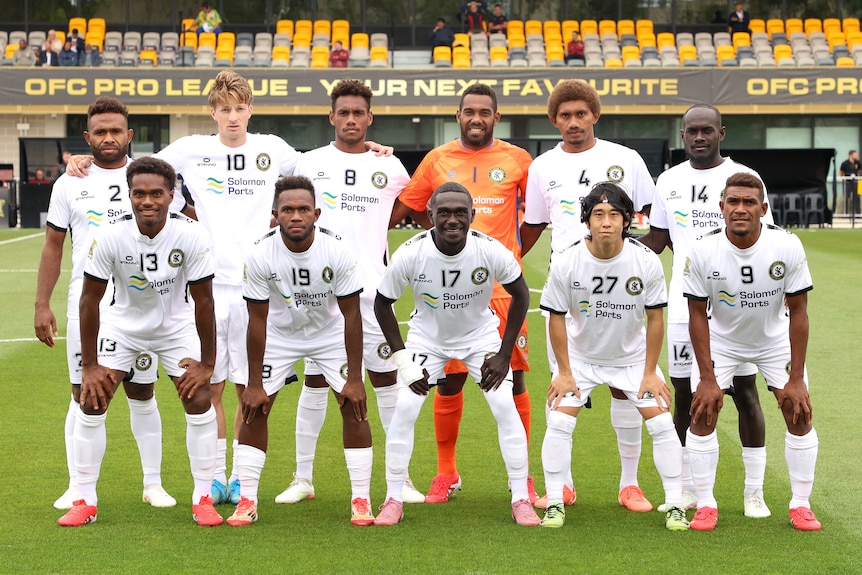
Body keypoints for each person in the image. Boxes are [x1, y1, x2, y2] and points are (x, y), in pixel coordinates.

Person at [64, 70, 393, 507]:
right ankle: (214, 478)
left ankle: (240, 477)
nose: (233, 118)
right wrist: (85, 161)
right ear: (212, 112)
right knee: (209, 384)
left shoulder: (272, 149)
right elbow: (139, 168)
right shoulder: (192, 149)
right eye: (224, 109)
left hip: (259, 285)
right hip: (207, 283)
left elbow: (323, 163)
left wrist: (369, 151)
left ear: (250, 110)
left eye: (240, 109)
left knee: (248, 385)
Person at [274, 79, 424, 506]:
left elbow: (404, 208)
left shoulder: (391, 167)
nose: (352, 119)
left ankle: (402, 479)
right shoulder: (308, 164)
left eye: (359, 113)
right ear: (332, 117)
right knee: (317, 380)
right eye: (344, 112)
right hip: (318, 293)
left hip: (372, 293)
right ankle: (303, 477)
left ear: (370, 118)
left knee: (385, 381)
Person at [388, 83, 537, 505]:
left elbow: (538, 216)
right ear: (458, 116)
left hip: (502, 292)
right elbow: (411, 206)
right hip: (445, 289)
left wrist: (513, 251)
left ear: (496, 116)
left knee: (513, 379)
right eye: (469, 111)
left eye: (484, 112)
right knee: (447, 380)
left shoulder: (517, 159)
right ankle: (446, 472)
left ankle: (521, 480)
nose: (476, 118)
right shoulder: (437, 159)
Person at [57, 156, 221, 527]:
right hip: (122, 327)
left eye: (156, 193)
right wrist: (90, 366)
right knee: (92, 399)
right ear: (129, 195)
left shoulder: (191, 234)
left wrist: (207, 364)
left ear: (171, 195)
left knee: (198, 398)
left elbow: (205, 301)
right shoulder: (110, 235)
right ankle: (85, 499)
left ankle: (203, 497)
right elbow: (89, 300)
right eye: (139, 194)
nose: (148, 201)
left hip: (174, 328)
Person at [520, 79, 657, 512]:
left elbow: (650, 220)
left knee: (625, 387)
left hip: (621, 285)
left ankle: (630, 484)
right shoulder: (542, 166)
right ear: (554, 120)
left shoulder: (625, 159)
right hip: (568, 288)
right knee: (563, 383)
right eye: (565, 115)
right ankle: (562, 485)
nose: (573, 122)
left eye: (581, 114)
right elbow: (533, 226)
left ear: (595, 115)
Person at [36, 96, 175, 512]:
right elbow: (52, 247)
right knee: (82, 393)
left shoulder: (149, 176)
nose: (109, 138)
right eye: (100, 131)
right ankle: (78, 485)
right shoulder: (70, 183)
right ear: (87, 137)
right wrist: (42, 304)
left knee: (142, 391)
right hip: (88, 305)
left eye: (117, 130)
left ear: (130, 135)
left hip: (142, 302)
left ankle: (153, 484)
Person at [373, 182, 540, 527]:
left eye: (460, 212)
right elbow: (382, 303)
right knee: (404, 410)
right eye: (444, 212)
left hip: (479, 339)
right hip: (426, 340)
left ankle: (521, 498)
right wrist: (403, 360)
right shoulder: (410, 252)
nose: (452, 219)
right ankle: (392, 499)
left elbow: (521, 295)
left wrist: (503, 353)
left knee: (505, 408)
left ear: (472, 216)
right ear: (430, 214)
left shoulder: (489, 250)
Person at [639, 104, 774, 517]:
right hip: (684, 304)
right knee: (685, 395)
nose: (699, 137)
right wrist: (609, 253)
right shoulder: (669, 179)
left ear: (721, 133)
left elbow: (763, 238)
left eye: (706, 130)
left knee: (744, 393)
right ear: (682, 135)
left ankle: (755, 493)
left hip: (736, 307)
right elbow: (659, 238)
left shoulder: (742, 177)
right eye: (691, 131)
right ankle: (686, 489)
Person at [538, 183, 688, 531]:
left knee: (663, 423)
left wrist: (650, 372)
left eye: (614, 215)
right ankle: (556, 503)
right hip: (581, 359)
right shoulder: (567, 259)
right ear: (587, 221)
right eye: (598, 214)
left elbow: (655, 319)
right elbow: (556, 318)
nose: (606, 222)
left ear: (627, 220)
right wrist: (563, 372)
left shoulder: (645, 260)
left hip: (632, 360)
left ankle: (675, 505)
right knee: (559, 421)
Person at [227, 175, 375, 527]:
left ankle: (361, 499)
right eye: (288, 210)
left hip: (328, 333)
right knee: (254, 407)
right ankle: (247, 499)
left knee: (353, 405)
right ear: (275, 214)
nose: (296, 216)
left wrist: (355, 378)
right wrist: (253, 383)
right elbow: (257, 320)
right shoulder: (260, 253)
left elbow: (352, 315)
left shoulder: (337, 250)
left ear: (317, 213)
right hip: (278, 333)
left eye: (303, 209)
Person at [683, 172, 821, 532]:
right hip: (722, 341)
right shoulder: (701, 249)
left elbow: (799, 313)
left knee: (799, 412)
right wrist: (709, 379)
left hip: (773, 341)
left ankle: (800, 504)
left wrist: (795, 379)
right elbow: (696, 316)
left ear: (763, 209)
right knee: (702, 411)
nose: (740, 209)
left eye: (748, 202)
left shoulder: (787, 245)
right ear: (721, 207)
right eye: (733, 202)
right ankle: (706, 504)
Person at [839, 150, 860, 214]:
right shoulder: (845, 163)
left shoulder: (858, 163)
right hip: (847, 183)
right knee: (846, 198)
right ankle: (845, 213)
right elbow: (841, 173)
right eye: (855, 155)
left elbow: (859, 171)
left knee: (857, 198)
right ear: (851, 155)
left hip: (856, 183)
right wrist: (844, 178)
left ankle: (858, 214)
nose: (856, 156)